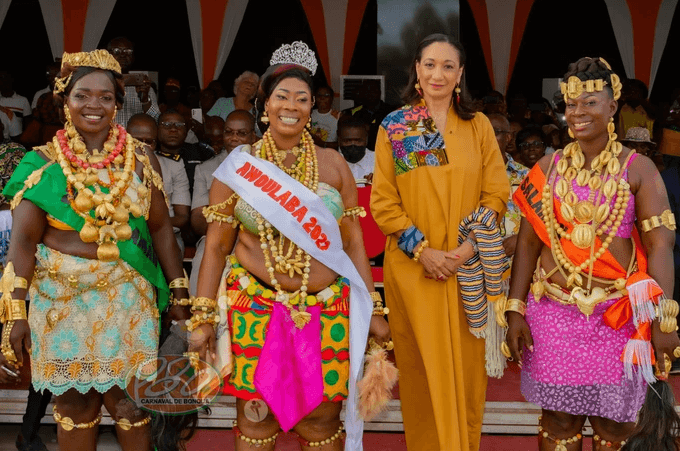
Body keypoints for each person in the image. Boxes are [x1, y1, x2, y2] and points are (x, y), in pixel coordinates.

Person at [190, 41, 390, 450]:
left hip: (327, 308)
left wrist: (373, 309)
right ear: (265, 104)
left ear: (311, 107)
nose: (291, 105)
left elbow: (353, 246)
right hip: (254, 308)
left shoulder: (333, 164)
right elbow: (214, 248)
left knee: (321, 420)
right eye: (282, 96)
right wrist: (203, 317)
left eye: (302, 98)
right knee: (255, 417)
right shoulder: (238, 168)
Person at [0, 49, 191, 451]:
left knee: (130, 405)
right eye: (82, 95)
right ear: (65, 102)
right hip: (62, 305)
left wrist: (178, 293)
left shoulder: (141, 159)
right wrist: (15, 315)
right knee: (75, 406)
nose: (94, 105)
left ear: (118, 105)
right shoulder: (40, 164)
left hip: (128, 304)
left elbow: (159, 229)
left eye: (105, 97)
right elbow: (21, 247)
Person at [507, 57, 679, 450]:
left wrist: (662, 319)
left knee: (615, 424)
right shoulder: (548, 167)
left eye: (590, 103)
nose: (578, 113)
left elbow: (660, 246)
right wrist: (515, 307)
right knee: (558, 419)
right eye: (570, 104)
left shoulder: (640, 169)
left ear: (613, 106)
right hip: (553, 314)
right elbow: (529, 242)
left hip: (618, 319)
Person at [370, 33, 510, 451]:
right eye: (430, 64)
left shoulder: (478, 125)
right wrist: (423, 251)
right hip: (416, 273)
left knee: (466, 374)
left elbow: (497, 192)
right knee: (424, 371)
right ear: (416, 68)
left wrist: (467, 250)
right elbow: (384, 201)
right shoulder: (398, 127)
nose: (438, 73)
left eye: (448, 66)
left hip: (468, 270)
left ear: (460, 74)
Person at [189, 110, 256, 295]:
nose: (234, 138)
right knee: (204, 254)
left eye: (241, 133)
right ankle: (199, 314)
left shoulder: (265, 168)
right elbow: (197, 218)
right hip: (215, 234)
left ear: (253, 136)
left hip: (256, 237)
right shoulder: (205, 169)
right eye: (229, 132)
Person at [488, 113, 529, 261]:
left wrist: (520, 239)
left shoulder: (526, 176)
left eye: (496, 132)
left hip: (516, 263)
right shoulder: (466, 175)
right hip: (474, 266)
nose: (488, 137)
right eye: (484, 132)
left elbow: (543, 220)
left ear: (508, 138)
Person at [154, 110, 192, 256]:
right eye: (167, 125)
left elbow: (182, 217)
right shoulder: (117, 165)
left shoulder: (175, 165)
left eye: (178, 125)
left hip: (167, 234)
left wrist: (151, 225)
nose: (173, 129)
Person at [107, 37, 160, 127]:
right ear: (107, 55)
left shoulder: (145, 88)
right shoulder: (99, 86)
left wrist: (145, 100)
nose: (123, 55)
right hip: (108, 140)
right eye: (117, 51)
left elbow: (156, 120)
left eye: (128, 51)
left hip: (134, 140)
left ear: (133, 57)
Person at [337, 115, 374, 185]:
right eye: (347, 141)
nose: (353, 145)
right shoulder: (331, 164)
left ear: (366, 139)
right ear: (339, 140)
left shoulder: (379, 161)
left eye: (358, 141)